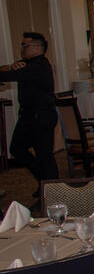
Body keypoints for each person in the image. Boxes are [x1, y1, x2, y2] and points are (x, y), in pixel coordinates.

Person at [0, 32, 59, 197]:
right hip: (29, 116)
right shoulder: (27, 64)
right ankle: (45, 182)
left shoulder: (39, 66)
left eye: (25, 46)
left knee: (44, 155)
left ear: (37, 48)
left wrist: (11, 69)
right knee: (17, 149)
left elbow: (9, 75)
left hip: (41, 116)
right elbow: (8, 69)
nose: (22, 49)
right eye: (22, 45)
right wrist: (12, 66)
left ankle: (51, 191)